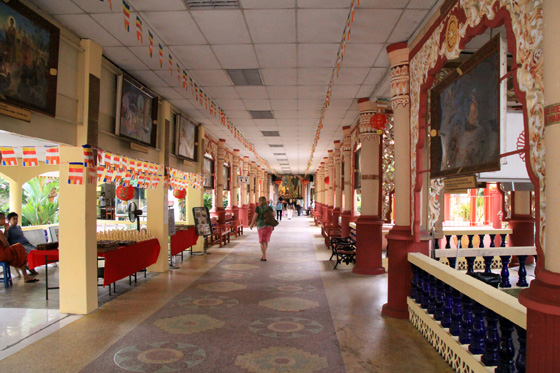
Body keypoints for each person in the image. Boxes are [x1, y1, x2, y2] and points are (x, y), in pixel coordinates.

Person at [0, 212, 38, 283]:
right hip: (2, 254)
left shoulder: (14, 228)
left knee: (19, 250)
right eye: (3, 219)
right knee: (19, 248)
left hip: (2, 253)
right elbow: (5, 243)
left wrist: (6, 230)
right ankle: (26, 275)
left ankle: (26, 272)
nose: (5, 220)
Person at [249, 196, 275, 261]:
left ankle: (264, 257)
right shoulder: (269, 208)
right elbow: (273, 216)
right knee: (266, 241)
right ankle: (264, 255)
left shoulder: (258, 208)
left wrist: (252, 224)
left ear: (260, 201)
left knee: (262, 241)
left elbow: (255, 217)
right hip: (269, 226)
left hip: (261, 226)